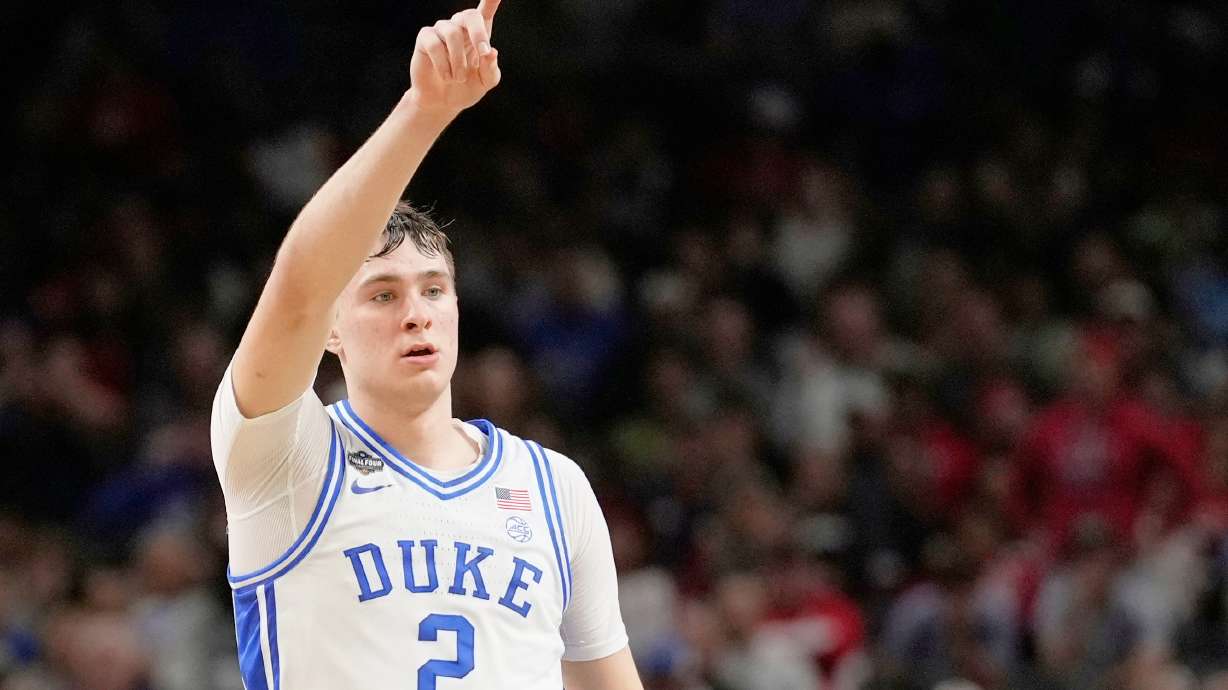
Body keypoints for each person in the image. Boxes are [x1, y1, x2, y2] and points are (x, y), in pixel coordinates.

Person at [208, 2, 642, 687]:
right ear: (329, 329)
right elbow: (295, 291)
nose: (416, 313)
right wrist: (425, 111)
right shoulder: (284, 460)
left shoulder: (554, 489)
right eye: (382, 294)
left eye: (434, 289)